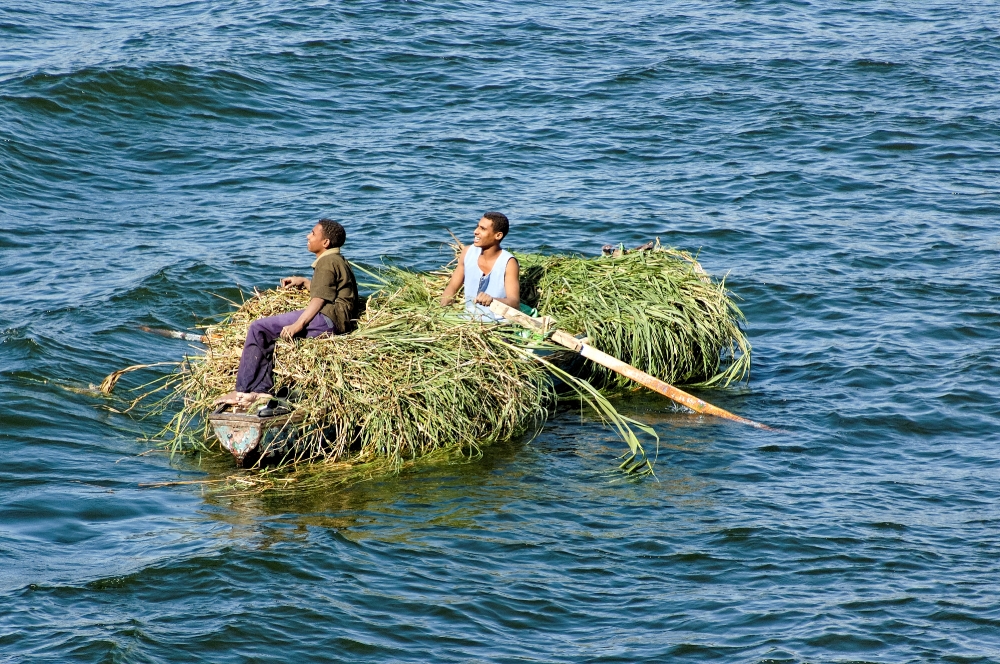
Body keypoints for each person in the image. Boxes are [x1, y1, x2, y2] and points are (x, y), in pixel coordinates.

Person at [216, 219, 359, 413]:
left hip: (327, 319)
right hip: (338, 320)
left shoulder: (326, 262)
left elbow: (319, 300)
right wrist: (305, 282)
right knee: (265, 329)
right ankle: (259, 390)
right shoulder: (338, 260)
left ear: (325, 243)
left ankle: (244, 390)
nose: (308, 236)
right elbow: (331, 291)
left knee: (259, 328)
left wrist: (298, 324)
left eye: (313, 233)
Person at [439, 211, 519, 320]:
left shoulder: (508, 262)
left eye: (483, 229)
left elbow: (514, 302)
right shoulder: (467, 253)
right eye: (477, 227)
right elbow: (452, 287)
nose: (475, 231)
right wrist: (441, 312)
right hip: (468, 319)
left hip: (497, 323)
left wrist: (493, 300)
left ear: (498, 235)